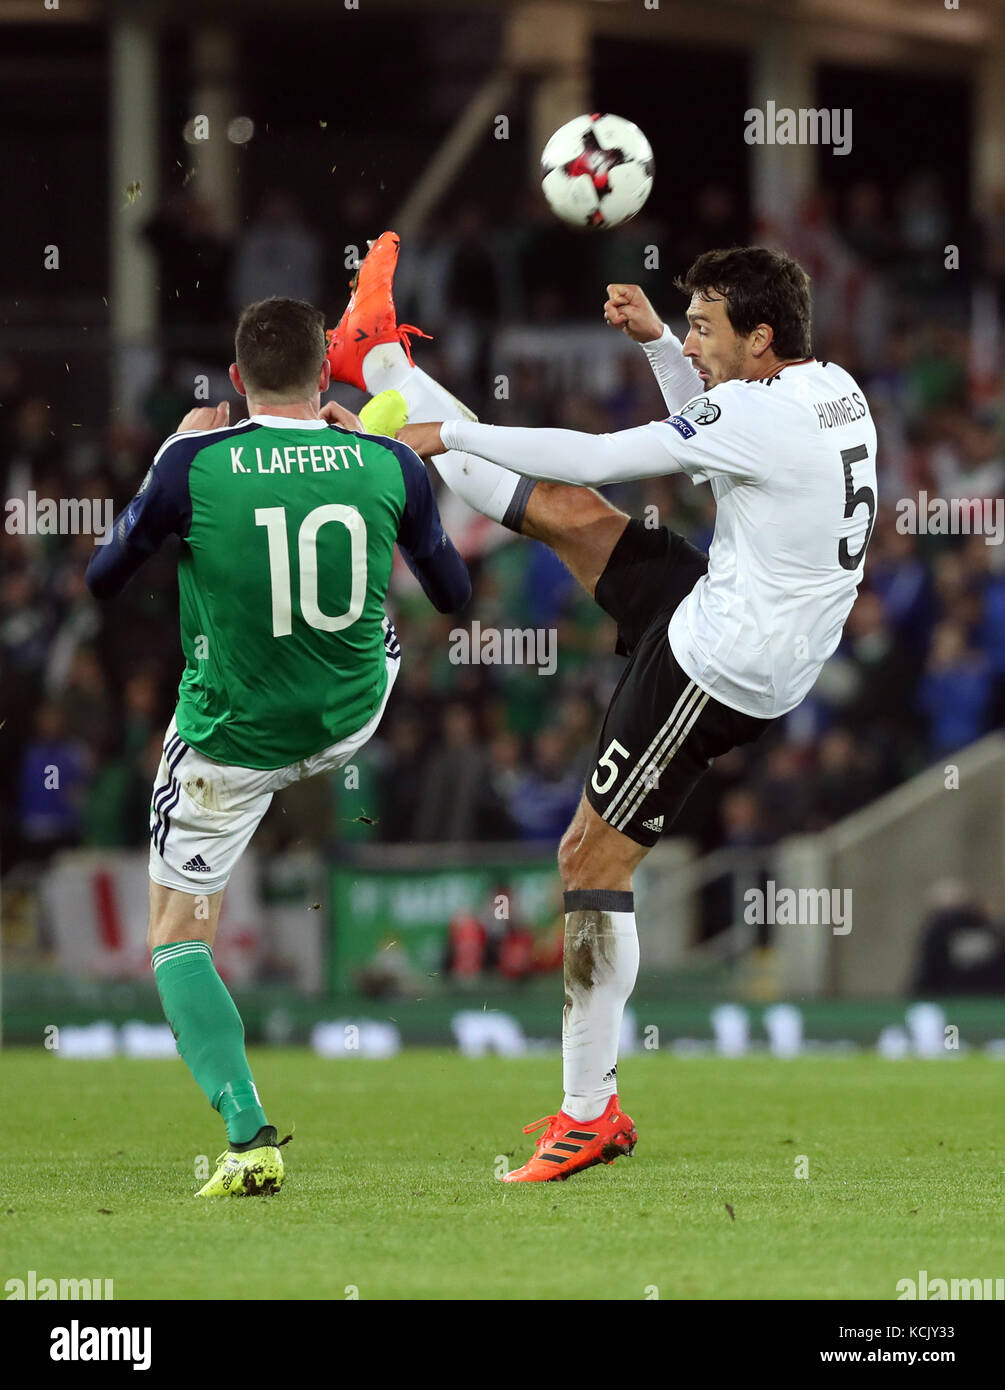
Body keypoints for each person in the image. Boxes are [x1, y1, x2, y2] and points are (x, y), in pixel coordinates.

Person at [324, 233, 878, 1183]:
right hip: (738, 605)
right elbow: (713, 437)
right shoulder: (830, 390)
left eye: (706, 329)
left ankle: (589, 1113)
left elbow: (607, 451)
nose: (693, 342)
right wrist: (663, 345)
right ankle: (378, 356)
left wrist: (446, 434)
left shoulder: (763, 416)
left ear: (759, 338)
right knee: (563, 512)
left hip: (716, 664)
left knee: (586, 857)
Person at [85, 295, 470, 1197]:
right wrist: (377, 453)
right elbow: (450, 593)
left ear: (234, 379)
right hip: (348, 718)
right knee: (375, 625)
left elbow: (105, 578)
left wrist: (162, 464)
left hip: (232, 743)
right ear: (325, 375)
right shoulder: (387, 462)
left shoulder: (193, 461)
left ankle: (247, 1133)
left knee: (177, 937)